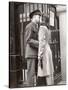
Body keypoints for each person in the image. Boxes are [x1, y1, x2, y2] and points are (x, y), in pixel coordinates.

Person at [24, 10, 41, 87]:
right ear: (34, 17)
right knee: (31, 74)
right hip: (31, 53)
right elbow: (28, 40)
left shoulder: (36, 26)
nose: (40, 18)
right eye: (39, 16)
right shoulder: (29, 26)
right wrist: (39, 43)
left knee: (37, 73)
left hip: (35, 53)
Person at [37, 16, 54, 86]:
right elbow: (47, 41)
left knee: (45, 71)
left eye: (40, 18)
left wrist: (39, 55)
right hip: (48, 49)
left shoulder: (42, 28)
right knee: (48, 71)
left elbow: (41, 42)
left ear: (42, 20)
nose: (39, 19)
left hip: (44, 51)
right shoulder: (47, 28)